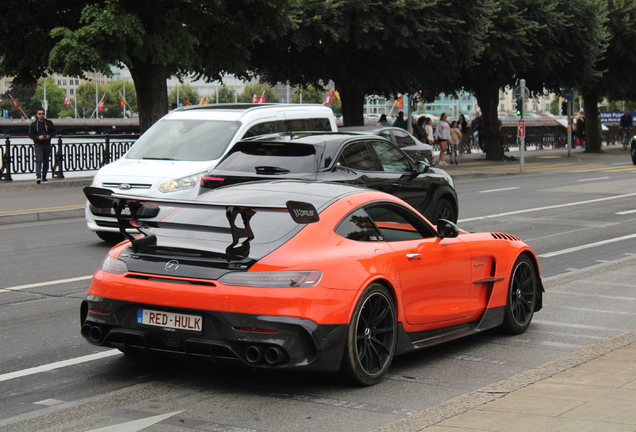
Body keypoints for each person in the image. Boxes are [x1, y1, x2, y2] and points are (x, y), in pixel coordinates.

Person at [28, 109, 56, 184]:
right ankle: (38, 176)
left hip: (47, 144)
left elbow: (54, 132)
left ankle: (44, 177)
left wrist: (49, 136)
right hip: (38, 144)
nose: (41, 115)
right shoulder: (34, 124)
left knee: (46, 161)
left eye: (42, 114)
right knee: (39, 160)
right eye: (39, 114)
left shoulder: (49, 123)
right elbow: (31, 135)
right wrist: (38, 137)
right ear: (36, 115)